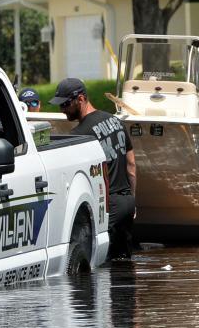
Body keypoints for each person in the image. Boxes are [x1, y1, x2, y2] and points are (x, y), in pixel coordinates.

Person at [50, 77, 136, 258]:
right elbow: (131, 165)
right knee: (125, 264)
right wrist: (132, 199)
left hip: (109, 207)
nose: (62, 110)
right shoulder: (115, 121)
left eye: (65, 104)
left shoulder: (80, 135)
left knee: (100, 265)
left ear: (80, 99)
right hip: (127, 201)